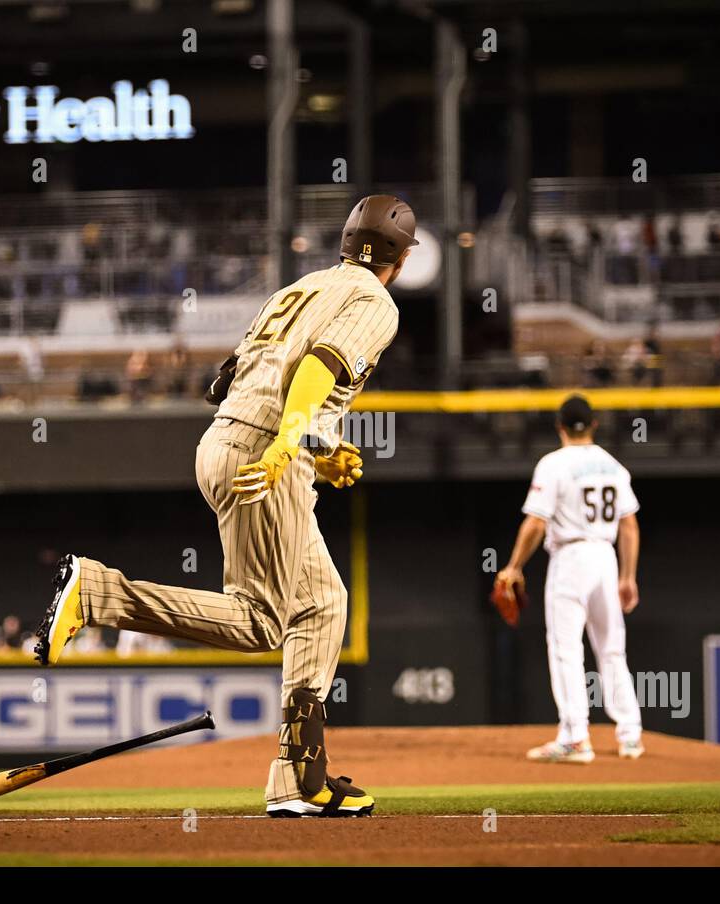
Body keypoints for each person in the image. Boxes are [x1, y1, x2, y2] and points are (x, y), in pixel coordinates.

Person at [32, 195, 418, 818]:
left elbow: (229, 378)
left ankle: (298, 777)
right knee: (261, 620)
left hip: (227, 439)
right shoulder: (375, 301)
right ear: (398, 260)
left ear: (346, 245)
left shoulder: (298, 289)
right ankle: (100, 593)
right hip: (263, 458)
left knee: (322, 604)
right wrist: (291, 443)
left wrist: (316, 448)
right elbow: (315, 371)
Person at [495, 395, 644, 762]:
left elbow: (536, 522)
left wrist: (514, 565)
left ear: (559, 426)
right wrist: (628, 576)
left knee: (566, 649)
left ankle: (576, 736)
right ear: (593, 425)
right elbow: (629, 524)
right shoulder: (613, 466)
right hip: (606, 557)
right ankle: (630, 735)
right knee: (611, 648)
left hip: (572, 558)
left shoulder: (554, 464)